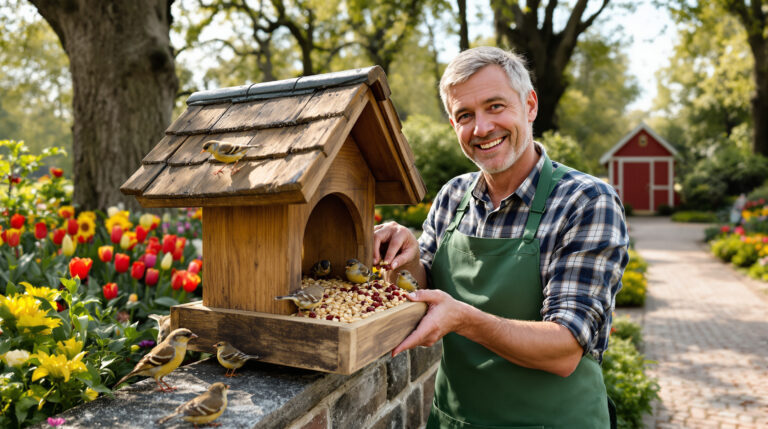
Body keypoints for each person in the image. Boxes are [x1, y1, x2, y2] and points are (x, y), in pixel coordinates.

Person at [373, 46, 629, 428]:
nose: (481, 128)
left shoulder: (585, 201)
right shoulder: (453, 196)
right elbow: (424, 289)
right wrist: (406, 253)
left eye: (495, 106)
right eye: (465, 115)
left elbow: (565, 349)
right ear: (452, 125)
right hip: (456, 420)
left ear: (529, 106)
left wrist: (464, 319)